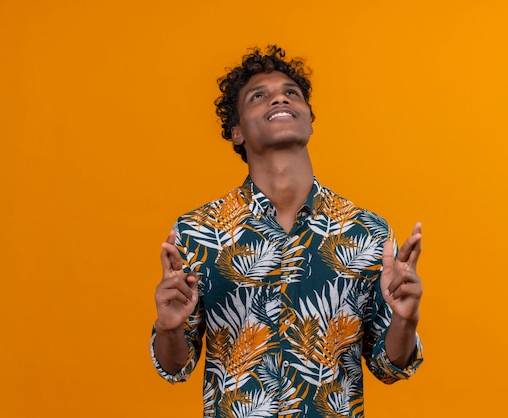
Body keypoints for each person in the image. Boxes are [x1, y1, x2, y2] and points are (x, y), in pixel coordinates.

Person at [151, 45, 424, 417]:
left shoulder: (367, 232)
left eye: (290, 92)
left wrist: (405, 321)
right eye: (258, 96)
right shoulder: (197, 232)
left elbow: (390, 366)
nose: (279, 96)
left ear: (310, 119)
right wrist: (168, 329)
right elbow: (175, 368)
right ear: (236, 132)